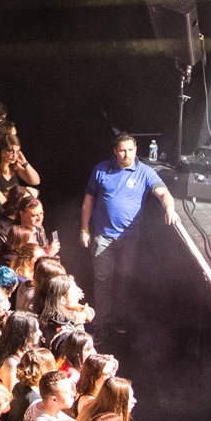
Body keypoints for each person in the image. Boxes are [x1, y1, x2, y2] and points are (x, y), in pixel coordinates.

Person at [77, 133, 174, 323]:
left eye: (130, 150)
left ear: (136, 150)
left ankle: (119, 318)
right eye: (122, 150)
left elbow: (163, 193)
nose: (126, 154)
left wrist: (170, 209)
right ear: (115, 151)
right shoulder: (101, 169)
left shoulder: (145, 172)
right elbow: (88, 201)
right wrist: (84, 229)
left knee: (123, 280)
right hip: (102, 237)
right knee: (103, 282)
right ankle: (101, 325)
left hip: (129, 238)